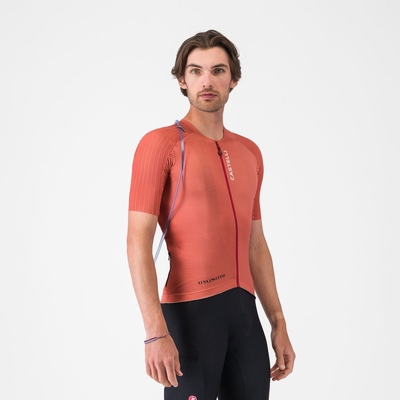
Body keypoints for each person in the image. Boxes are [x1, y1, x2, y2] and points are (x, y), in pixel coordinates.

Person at [127, 29, 295, 400]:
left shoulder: (249, 152)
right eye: (196, 71)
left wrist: (278, 322)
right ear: (181, 80)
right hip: (189, 317)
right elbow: (137, 241)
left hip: (245, 318)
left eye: (218, 70)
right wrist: (155, 332)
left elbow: (255, 244)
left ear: (233, 79)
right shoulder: (161, 144)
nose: (207, 81)